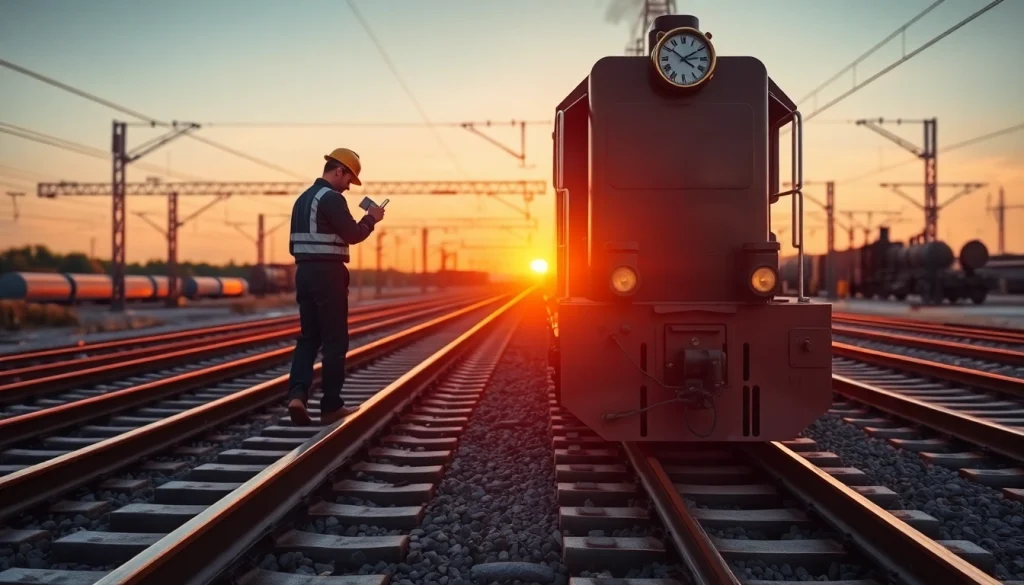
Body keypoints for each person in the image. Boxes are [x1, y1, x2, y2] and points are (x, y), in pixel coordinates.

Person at [286, 148, 385, 426]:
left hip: (303, 272)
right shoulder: (331, 198)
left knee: (308, 339)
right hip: (328, 274)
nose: (348, 187)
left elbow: (294, 243)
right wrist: (371, 219)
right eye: (348, 180)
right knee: (335, 341)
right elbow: (353, 235)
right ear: (338, 171)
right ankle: (331, 406)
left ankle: (297, 395)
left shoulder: (302, 200)